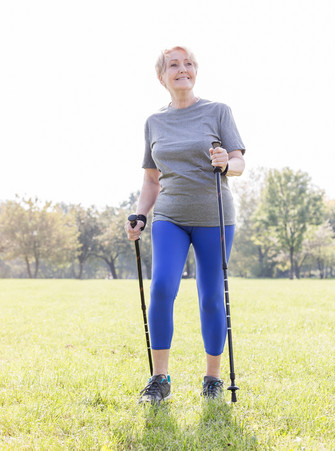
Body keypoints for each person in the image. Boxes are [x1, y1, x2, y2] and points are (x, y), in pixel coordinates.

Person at [124, 46, 246, 404]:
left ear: (196, 72)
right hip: (170, 215)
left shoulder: (217, 111)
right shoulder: (154, 122)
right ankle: (159, 379)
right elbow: (151, 179)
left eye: (188, 63)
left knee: (210, 297)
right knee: (162, 287)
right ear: (161, 76)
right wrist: (141, 214)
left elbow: (239, 162)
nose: (183, 69)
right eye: (173, 65)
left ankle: (212, 380)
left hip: (214, 216)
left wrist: (227, 161)